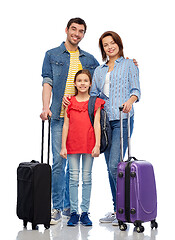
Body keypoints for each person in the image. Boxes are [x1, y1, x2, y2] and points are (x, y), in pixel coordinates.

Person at [40, 18, 99, 224]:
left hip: (83, 118)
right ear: (66, 30)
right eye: (73, 29)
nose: (76, 33)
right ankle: (56, 207)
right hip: (59, 116)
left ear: (84, 34)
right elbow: (47, 82)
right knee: (59, 162)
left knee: (74, 166)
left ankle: (70, 207)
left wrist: (128, 62)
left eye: (81, 31)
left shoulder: (90, 60)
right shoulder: (52, 55)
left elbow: (100, 80)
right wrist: (46, 107)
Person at [90, 31, 141, 225]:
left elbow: (136, 89)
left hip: (123, 118)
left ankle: (124, 208)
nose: (110, 47)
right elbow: (94, 94)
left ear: (119, 44)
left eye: (112, 43)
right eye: (105, 44)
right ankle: (118, 208)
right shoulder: (99, 70)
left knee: (115, 166)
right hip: (105, 122)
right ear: (102, 48)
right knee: (111, 167)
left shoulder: (129, 64)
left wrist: (130, 101)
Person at [60, 69, 105, 226]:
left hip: (89, 144)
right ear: (75, 83)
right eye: (79, 80)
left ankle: (85, 212)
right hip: (72, 144)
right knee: (73, 178)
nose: (82, 83)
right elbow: (66, 124)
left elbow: (98, 124)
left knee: (87, 178)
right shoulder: (69, 102)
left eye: (85, 80)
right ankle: (73, 212)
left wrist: (97, 145)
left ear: (90, 83)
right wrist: (63, 146)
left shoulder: (95, 102)